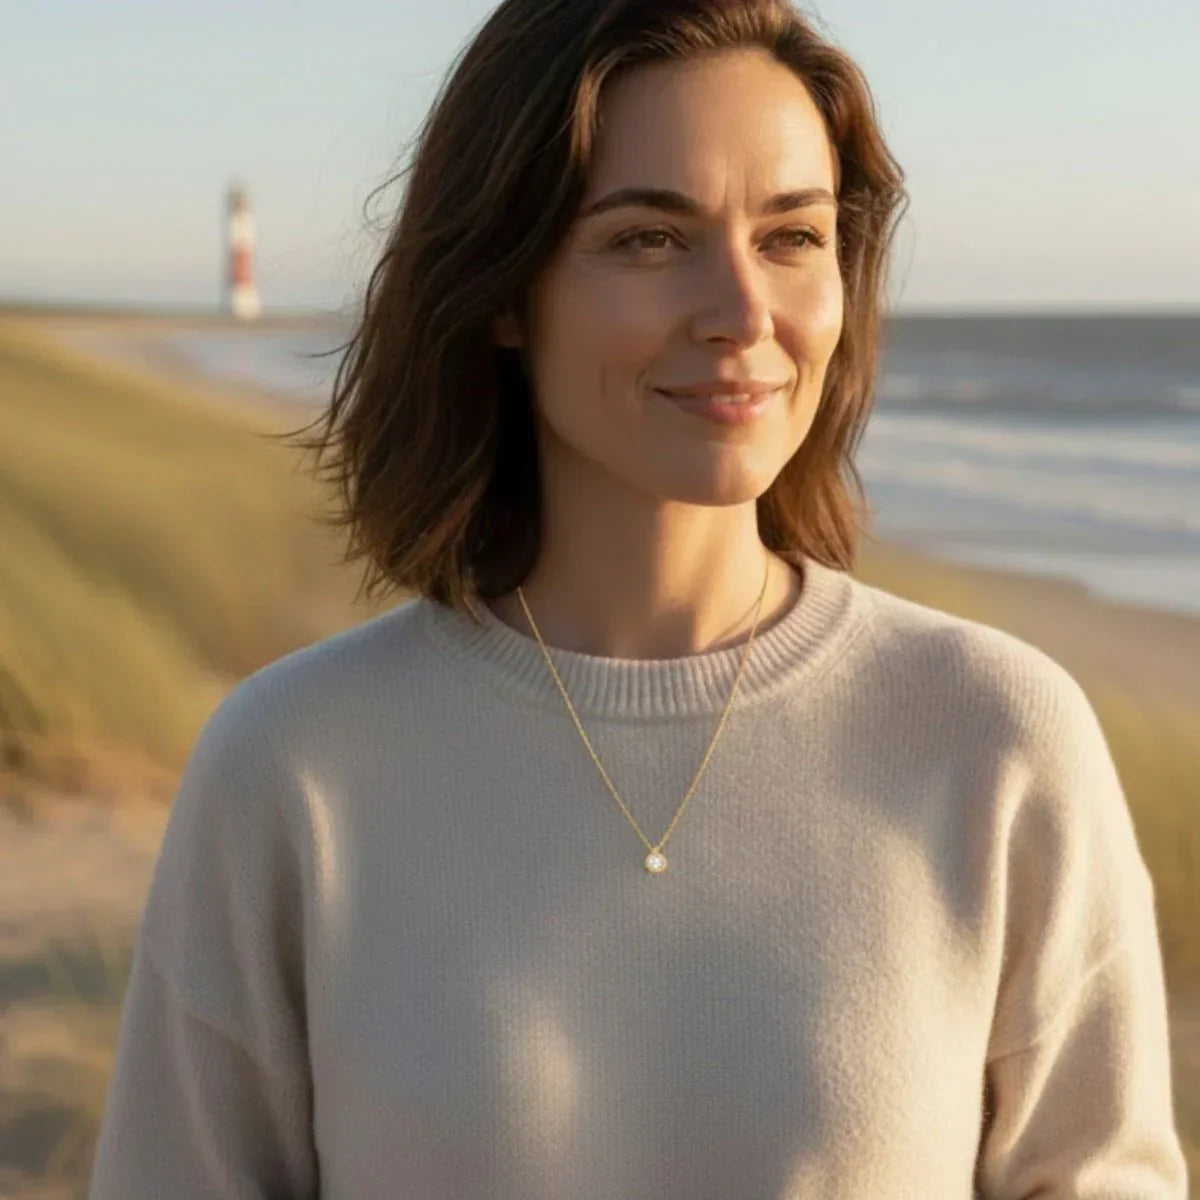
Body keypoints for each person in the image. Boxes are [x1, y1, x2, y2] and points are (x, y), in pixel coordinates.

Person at [87, 0, 1188, 1195]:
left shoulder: (999, 741)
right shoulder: (290, 769)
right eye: (650, 240)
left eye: (792, 236)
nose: (741, 312)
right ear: (504, 291)